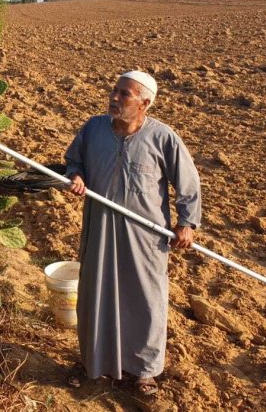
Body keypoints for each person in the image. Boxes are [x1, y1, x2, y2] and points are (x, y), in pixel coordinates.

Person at [63, 70, 202, 396]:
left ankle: (144, 373)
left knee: (146, 300)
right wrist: (76, 176)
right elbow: (74, 161)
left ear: (145, 103)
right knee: (96, 296)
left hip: (145, 237)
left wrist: (186, 223)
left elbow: (188, 183)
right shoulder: (93, 128)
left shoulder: (163, 138)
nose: (114, 97)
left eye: (125, 94)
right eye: (115, 90)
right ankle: (94, 365)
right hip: (100, 229)